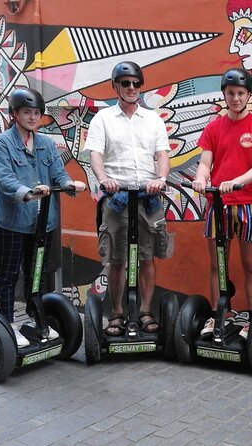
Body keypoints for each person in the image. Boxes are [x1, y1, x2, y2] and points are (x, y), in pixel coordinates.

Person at [0, 88, 87, 348]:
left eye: (36, 113)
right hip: (11, 223)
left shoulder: (46, 144)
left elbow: (57, 172)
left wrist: (69, 184)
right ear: (15, 114)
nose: (32, 117)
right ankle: (7, 324)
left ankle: (36, 320)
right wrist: (29, 193)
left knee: (37, 273)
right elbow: (5, 179)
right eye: (26, 112)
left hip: (43, 222)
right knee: (8, 274)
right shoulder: (1, 143)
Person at [87, 61, 171, 337]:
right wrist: (103, 179)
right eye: (126, 83)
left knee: (147, 257)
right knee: (117, 258)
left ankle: (146, 312)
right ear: (115, 87)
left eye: (136, 83)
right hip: (118, 197)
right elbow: (96, 155)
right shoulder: (103, 120)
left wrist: (160, 178)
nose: (132, 88)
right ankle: (118, 314)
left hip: (148, 197)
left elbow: (162, 155)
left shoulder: (153, 120)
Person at [192, 67, 252, 339]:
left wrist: (236, 181)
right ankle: (220, 315)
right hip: (218, 204)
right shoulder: (214, 127)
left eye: (241, 93)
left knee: (250, 264)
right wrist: (200, 178)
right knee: (218, 264)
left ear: (248, 95)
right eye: (231, 93)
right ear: (224, 95)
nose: (236, 98)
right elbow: (205, 163)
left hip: (248, 204)